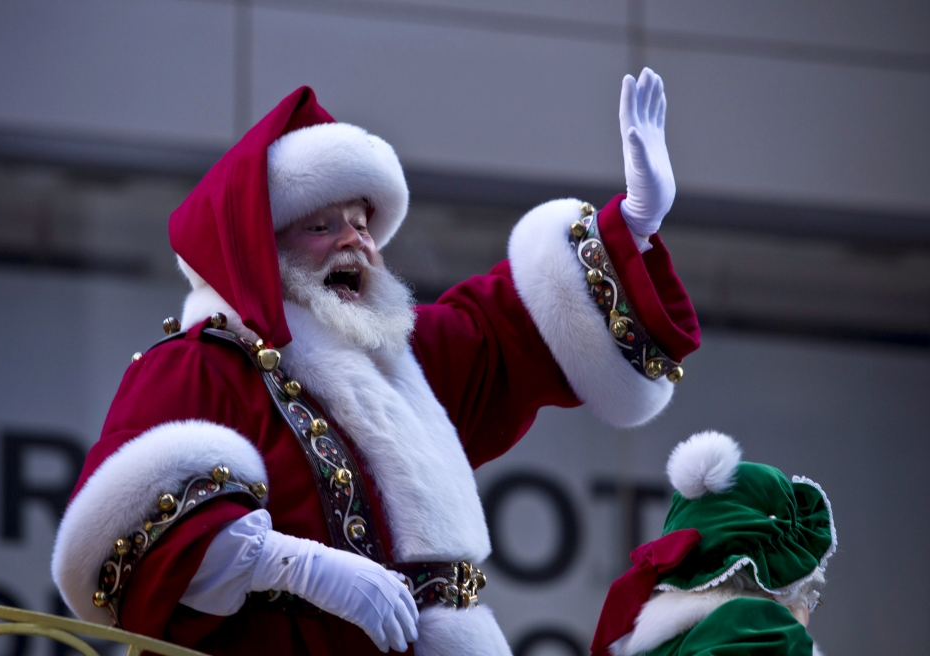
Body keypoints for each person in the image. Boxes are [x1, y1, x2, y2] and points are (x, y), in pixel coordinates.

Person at [51, 68, 700, 656]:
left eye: (362, 223)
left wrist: (632, 227)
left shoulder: (405, 361)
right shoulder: (203, 367)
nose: (354, 241)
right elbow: (132, 537)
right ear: (260, 250)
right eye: (322, 225)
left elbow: (514, 325)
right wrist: (295, 567)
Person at [591, 431, 834, 656]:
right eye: (808, 599)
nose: (807, 613)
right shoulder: (759, 629)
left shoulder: (656, 646)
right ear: (776, 586)